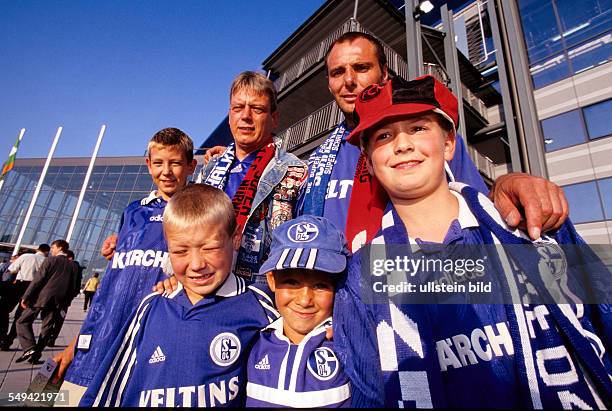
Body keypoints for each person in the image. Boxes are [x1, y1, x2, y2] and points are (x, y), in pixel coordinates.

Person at [333, 75, 612, 407]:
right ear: (367, 158)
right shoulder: (360, 276)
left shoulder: (533, 225)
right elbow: (370, 397)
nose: (403, 144)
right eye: (384, 135)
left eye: (419, 128)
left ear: (449, 143)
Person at [295, 31, 569, 246]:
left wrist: (508, 182)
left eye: (361, 67)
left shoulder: (428, 143)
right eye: (337, 72)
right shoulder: (320, 159)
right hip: (333, 298)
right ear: (330, 84)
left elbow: (482, 205)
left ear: (385, 72)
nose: (349, 80)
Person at [79, 184, 278, 407]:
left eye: (209, 248)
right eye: (181, 251)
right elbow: (110, 389)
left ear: (235, 239)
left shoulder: (261, 309)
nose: (196, 265)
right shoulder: (151, 307)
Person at [55, 127, 197, 405]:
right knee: (63, 401)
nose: (166, 171)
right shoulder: (133, 212)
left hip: (145, 347)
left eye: (176, 163)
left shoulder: (195, 213)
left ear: (191, 165)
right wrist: (75, 344)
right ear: (148, 164)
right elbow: (110, 288)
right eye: (158, 163)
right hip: (93, 346)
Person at [246, 215, 351, 408]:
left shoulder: (350, 344)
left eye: (320, 285)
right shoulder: (250, 336)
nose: (304, 300)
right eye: (291, 282)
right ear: (271, 280)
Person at [15, 239, 78, 364]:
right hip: (58, 302)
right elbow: (75, 288)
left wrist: (26, 296)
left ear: (60, 248)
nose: (51, 250)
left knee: (22, 321)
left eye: (53, 248)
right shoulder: (74, 266)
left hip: (41, 298)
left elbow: (38, 280)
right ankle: (36, 355)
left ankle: (29, 347)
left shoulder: (50, 260)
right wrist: (65, 301)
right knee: (47, 327)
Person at [0, 243, 50, 350]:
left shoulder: (25, 256)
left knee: (4, 309)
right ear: (47, 252)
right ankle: (9, 340)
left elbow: (11, 269)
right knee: (20, 316)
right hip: (34, 290)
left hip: (19, 285)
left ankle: (2, 335)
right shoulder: (46, 261)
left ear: (38, 249)